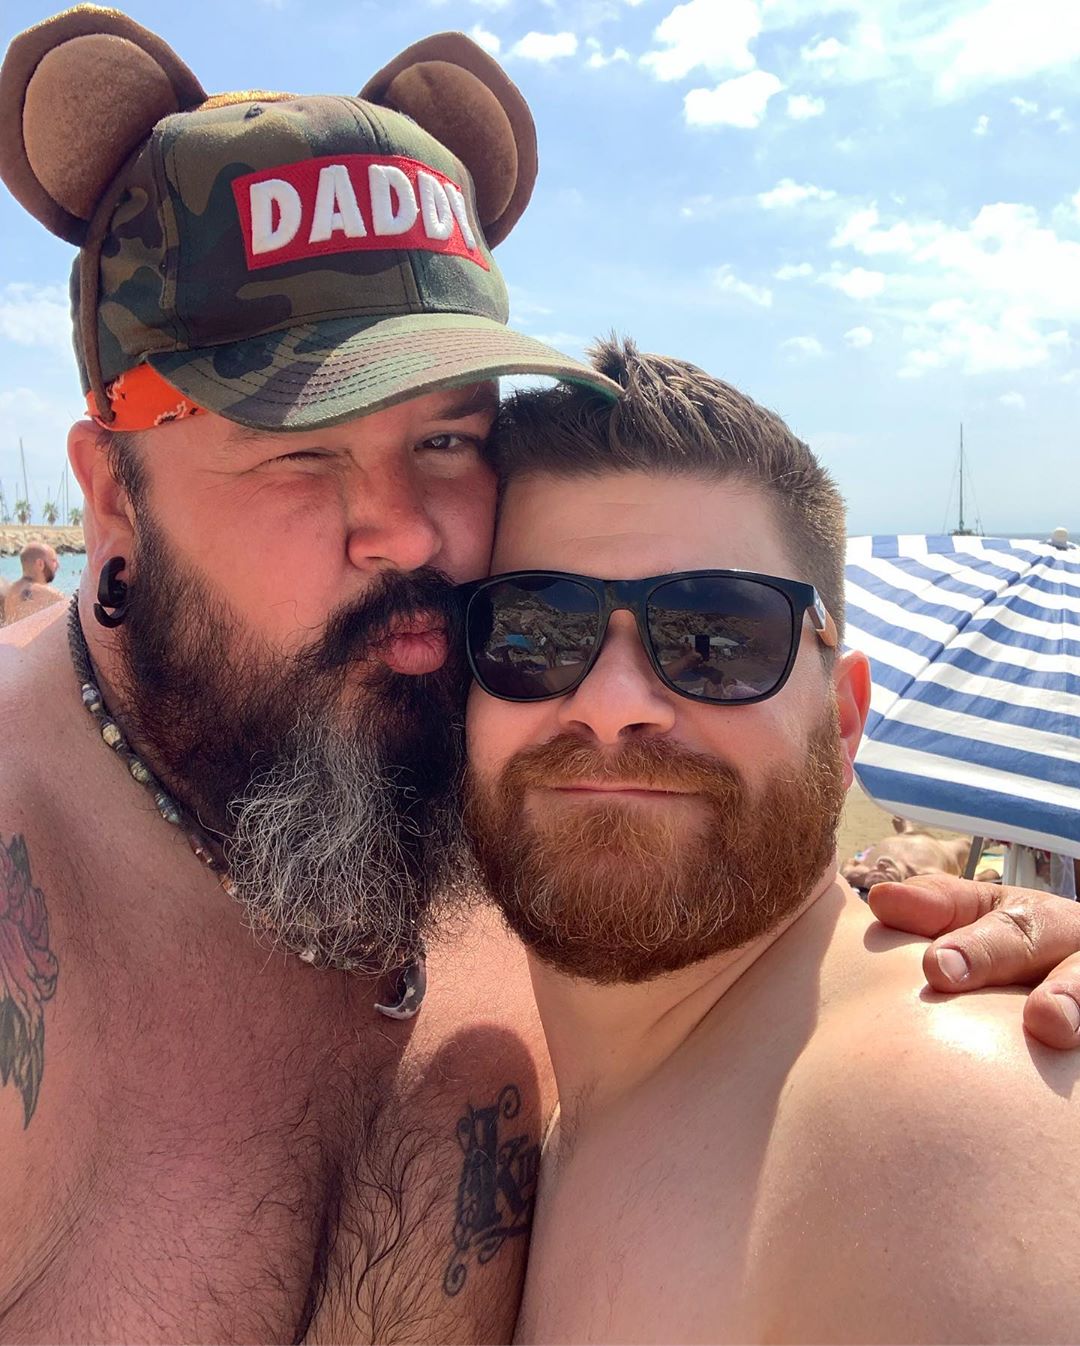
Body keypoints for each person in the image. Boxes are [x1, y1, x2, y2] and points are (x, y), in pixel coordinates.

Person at [1, 10, 1079, 1344]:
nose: (407, 532)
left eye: (449, 440)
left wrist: (963, 979)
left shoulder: (479, 787)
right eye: (299, 449)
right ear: (113, 493)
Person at [464, 338, 1080, 1343]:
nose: (612, 704)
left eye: (718, 636)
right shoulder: (490, 1057)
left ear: (842, 721)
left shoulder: (943, 1130)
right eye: (532, 630)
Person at [0, 542, 63, 625]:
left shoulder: (8, 593)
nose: (58, 566)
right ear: (40, 564)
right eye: (53, 561)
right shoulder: (50, 594)